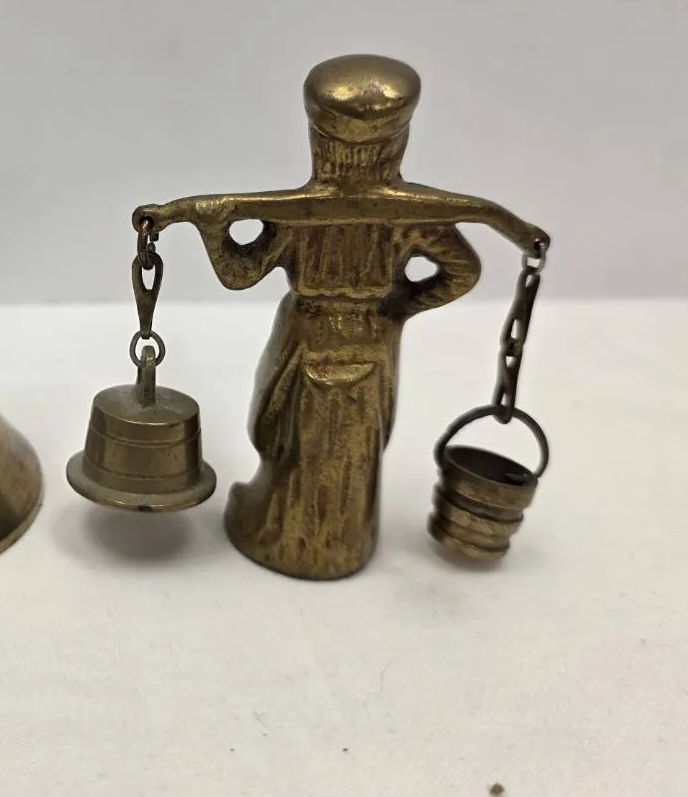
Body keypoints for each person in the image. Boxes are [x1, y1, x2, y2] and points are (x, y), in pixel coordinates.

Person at [136, 54, 548, 579]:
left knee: (306, 439)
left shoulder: (335, 217)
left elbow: (239, 274)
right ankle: (334, 537)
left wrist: (216, 232)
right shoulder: (375, 217)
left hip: (316, 333)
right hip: (360, 338)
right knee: (312, 440)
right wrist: (397, 311)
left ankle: (297, 534)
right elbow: (462, 272)